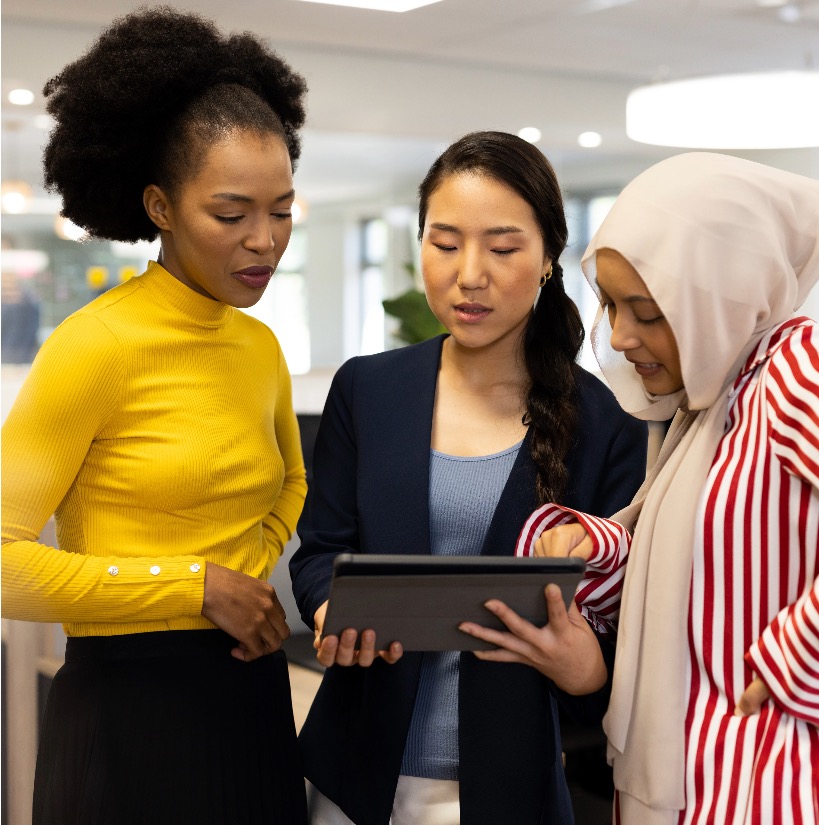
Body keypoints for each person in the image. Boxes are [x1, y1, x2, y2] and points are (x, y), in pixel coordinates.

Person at [1, 8, 309, 824]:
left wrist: (250, 573)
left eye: (281, 209)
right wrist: (196, 585)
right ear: (160, 207)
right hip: (126, 712)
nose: (263, 241)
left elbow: (290, 484)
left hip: (250, 689)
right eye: (230, 212)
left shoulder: (259, 345)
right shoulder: (95, 343)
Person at [289, 131, 648, 825]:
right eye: (444, 243)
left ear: (547, 258)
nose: (468, 274)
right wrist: (331, 610)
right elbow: (317, 551)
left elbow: (621, 619)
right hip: (356, 776)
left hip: (507, 786)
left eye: (503, 248)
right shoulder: (368, 390)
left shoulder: (604, 420)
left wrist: (589, 669)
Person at [462, 152, 819, 824]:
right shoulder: (707, 402)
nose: (621, 336)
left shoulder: (793, 372)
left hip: (766, 770)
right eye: (611, 306)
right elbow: (702, 567)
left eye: (647, 312)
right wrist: (588, 546)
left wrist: (787, 659)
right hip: (697, 766)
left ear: (723, 295)